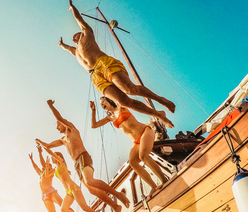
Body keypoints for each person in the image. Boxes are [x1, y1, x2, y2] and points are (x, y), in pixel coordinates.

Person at [59, 0, 175, 129]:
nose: (74, 37)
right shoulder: (77, 51)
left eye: (76, 34)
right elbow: (69, 49)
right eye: (73, 37)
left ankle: (161, 100)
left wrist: (73, 7)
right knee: (123, 101)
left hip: (103, 63)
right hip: (95, 77)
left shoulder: (87, 33)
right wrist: (62, 45)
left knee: (129, 89)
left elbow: (79, 19)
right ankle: (158, 114)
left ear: (81, 33)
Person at [36, 99, 130, 212]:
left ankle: (118, 195)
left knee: (89, 181)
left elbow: (59, 117)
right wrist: (40, 143)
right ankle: (115, 206)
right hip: (77, 164)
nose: (58, 128)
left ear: (63, 124)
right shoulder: (63, 140)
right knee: (91, 189)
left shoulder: (71, 130)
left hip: (83, 156)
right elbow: (48, 145)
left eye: (58, 125)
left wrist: (50, 106)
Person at [90, 97, 168, 193]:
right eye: (101, 104)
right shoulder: (109, 117)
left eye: (103, 102)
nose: (102, 105)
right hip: (136, 142)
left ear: (109, 100)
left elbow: (119, 95)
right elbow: (94, 125)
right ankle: (153, 187)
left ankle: (164, 180)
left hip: (145, 131)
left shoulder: (120, 106)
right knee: (133, 162)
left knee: (143, 156)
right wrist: (93, 110)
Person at [29, 145, 72, 212]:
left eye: (50, 165)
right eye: (48, 166)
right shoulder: (41, 173)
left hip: (51, 192)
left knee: (63, 206)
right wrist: (31, 159)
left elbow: (43, 163)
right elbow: (36, 167)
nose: (49, 166)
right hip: (44, 196)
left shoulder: (51, 172)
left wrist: (40, 153)